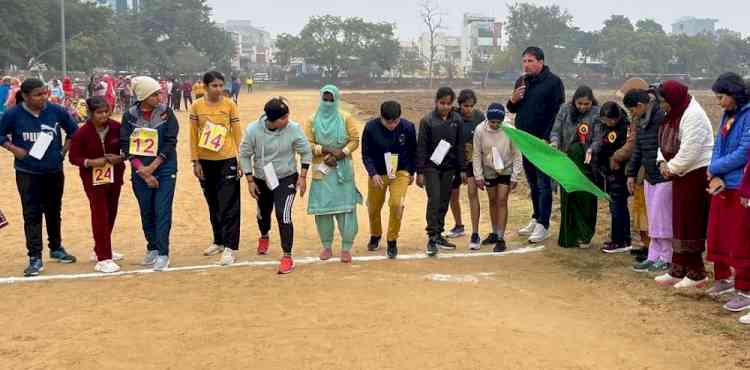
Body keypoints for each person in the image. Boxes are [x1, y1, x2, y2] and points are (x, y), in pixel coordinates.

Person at [0, 78, 79, 277]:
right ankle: (35, 256)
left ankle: (56, 247)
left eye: (45, 93)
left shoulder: (56, 111)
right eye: (38, 94)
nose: (43, 97)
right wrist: (13, 148)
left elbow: (73, 131)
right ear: (26, 96)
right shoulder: (13, 114)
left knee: (54, 210)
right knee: (31, 213)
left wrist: (63, 152)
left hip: (53, 171)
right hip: (27, 173)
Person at [239, 97, 312, 274]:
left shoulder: (293, 129)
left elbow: (306, 152)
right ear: (272, 120)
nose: (288, 120)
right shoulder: (253, 130)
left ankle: (287, 256)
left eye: (288, 116)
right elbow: (244, 155)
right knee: (263, 213)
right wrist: (250, 180)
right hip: (262, 178)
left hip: (287, 177)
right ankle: (264, 235)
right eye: (284, 118)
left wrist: (302, 177)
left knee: (283, 213)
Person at [653, 80, 714, 289]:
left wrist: (671, 168)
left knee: (690, 222)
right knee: (679, 221)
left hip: (695, 173)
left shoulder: (693, 115)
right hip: (680, 173)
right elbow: (661, 141)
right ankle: (678, 268)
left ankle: (697, 272)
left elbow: (691, 150)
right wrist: (662, 161)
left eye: (663, 101)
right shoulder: (672, 114)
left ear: (673, 98)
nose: (662, 106)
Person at [120, 76, 179, 272]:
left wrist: (154, 166)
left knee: (162, 211)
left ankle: (163, 253)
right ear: (143, 96)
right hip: (140, 170)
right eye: (155, 94)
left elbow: (171, 141)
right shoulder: (129, 116)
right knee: (146, 210)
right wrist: (142, 170)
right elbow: (125, 144)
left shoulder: (166, 113)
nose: (159, 97)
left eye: (159, 93)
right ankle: (152, 247)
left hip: (164, 168)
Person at [507, 46, 565, 244]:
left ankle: (544, 224)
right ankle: (535, 216)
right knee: (532, 181)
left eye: (531, 61)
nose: (526, 65)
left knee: (543, 183)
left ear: (541, 62)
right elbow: (513, 108)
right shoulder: (522, 81)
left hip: (543, 142)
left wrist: (548, 137)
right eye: (524, 61)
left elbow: (557, 112)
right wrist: (512, 99)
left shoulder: (554, 83)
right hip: (525, 140)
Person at [705, 73, 750, 312]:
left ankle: (744, 289)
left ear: (734, 94)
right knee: (718, 233)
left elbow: (745, 151)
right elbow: (718, 146)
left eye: (721, 97)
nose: (718, 102)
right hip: (721, 183)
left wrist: (715, 168)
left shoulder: (748, 116)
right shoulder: (727, 115)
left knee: (741, 239)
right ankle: (723, 279)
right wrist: (714, 171)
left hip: (740, 185)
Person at [190, 71, 243, 265]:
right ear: (205, 87)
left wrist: (241, 159)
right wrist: (195, 161)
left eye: (221, 85)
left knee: (229, 203)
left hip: (227, 159)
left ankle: (230, 247)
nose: (218, 89)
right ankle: (218, 240)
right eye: (214, 86)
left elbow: (237, 132)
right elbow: (193, 134)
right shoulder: (196, 106)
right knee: (213, 202)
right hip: (205, 161)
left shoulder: (230, 105)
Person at [305, 85, 362, 263]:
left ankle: (346, 247)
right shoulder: (312, 120)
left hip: (342, 169)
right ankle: (327, 246)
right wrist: (325, 150)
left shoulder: (346, 118)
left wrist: (341, 153)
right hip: (321, 170)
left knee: (347, 209)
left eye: (331, 99)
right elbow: (307, 144)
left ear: (336, 99)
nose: (328, 103)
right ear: (321, 98)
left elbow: (355, 140)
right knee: (323, 211)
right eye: (325, 99)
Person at [68, 97, 126, 273]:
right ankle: (103, 258)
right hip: (93, 181)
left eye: (106, 111)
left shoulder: (117, 128)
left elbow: (127, 148)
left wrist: (121, 158)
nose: (104, 115)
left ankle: (100, 249)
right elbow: (73, 157)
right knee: (100, 214)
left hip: (115, 176)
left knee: (112, 212)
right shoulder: (82, 133)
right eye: (99, 113)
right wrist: (90, 162)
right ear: (90, 114)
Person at [624, 89, 672, 273]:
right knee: (653, 219)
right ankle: (653, 256)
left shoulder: (661, 118)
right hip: (648, 177)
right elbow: (638, 149)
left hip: (664, 176)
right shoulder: (640, 121)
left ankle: (666, 257)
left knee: (663, 219)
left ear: (640, 106)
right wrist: (631, 173)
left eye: (632, 110)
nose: (632, 114)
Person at [362, 101, 417, 259]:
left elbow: (414, 150)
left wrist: (411, 171)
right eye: (388, 122)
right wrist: (373, 173)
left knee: (397, 204)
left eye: (396, 121)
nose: (392, 125)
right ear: (381, 117)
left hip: (400, 172)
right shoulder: (371, 128)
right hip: (378, 173)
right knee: (373, 206)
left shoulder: (408, 127)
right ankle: (375, 234)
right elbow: (366, 154)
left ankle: (392, 240)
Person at [416, 87, 465, 256]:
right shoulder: (427, 121)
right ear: (436, 102)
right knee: (434, 199)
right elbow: (421, 147)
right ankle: (431, 236)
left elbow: (459, 146)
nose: (445, 106)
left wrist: (462, 169)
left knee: (444, 200)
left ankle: (439, 234)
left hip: (449, 168)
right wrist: (420, 172)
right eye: (442, 103)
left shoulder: (457, 120)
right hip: (431, 167)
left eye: (448, 103)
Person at [550, 86, 600, 249]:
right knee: (569, 198)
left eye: (587, 104)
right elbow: (556, 131)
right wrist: (555, 141)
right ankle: (569, 236)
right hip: (567, 163)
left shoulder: (597, 113)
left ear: (592, 102)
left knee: (586, 199)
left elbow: (599, 137)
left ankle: (584, 235)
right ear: (574, 101)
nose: (583, 107)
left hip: (587, 165)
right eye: (580, 103)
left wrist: (592, 149)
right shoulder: (564, 110)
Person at [472, 103, 522, 252]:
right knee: (492, 200)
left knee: (502, 200)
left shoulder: (510, 130)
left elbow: (517, 153)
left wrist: (515, 176)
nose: (495, 125)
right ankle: (494, 232)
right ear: (487, 119)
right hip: (489, 169)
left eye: (498, 122)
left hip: (506, 168)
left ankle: (501, 237)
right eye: (492, 122)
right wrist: (478, 175)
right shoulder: (480, 130)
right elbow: (476, 153)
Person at [616, 78, 651, 263]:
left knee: (646, 212)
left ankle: (651, 248)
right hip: (637, 170)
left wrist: (616, 156)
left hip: (646, 170)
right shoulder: (638, 116)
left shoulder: (647, 118)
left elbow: (634, 144)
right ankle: (645, 246)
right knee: (639, 210)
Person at [445, 89, 486, 249]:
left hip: (472, 162)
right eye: (465, 106)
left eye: (471, 106)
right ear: (459, 104)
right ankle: (459, 225)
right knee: (452, 195)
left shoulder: (480, 117)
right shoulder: (453, 115)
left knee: (471, 194)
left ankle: (475, 233)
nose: (468, 109)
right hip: (455, 161)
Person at [589, 102, 631, 253]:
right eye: (606, 120)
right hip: (608, 173)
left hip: (620, 173)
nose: (609, 123)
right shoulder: (603, 126)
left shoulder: (625, 127)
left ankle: (619, 240)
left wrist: (615, 159)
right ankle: (623, 238)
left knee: (617, 207)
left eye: (611, 120)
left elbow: (624, 149)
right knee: (617, 206)